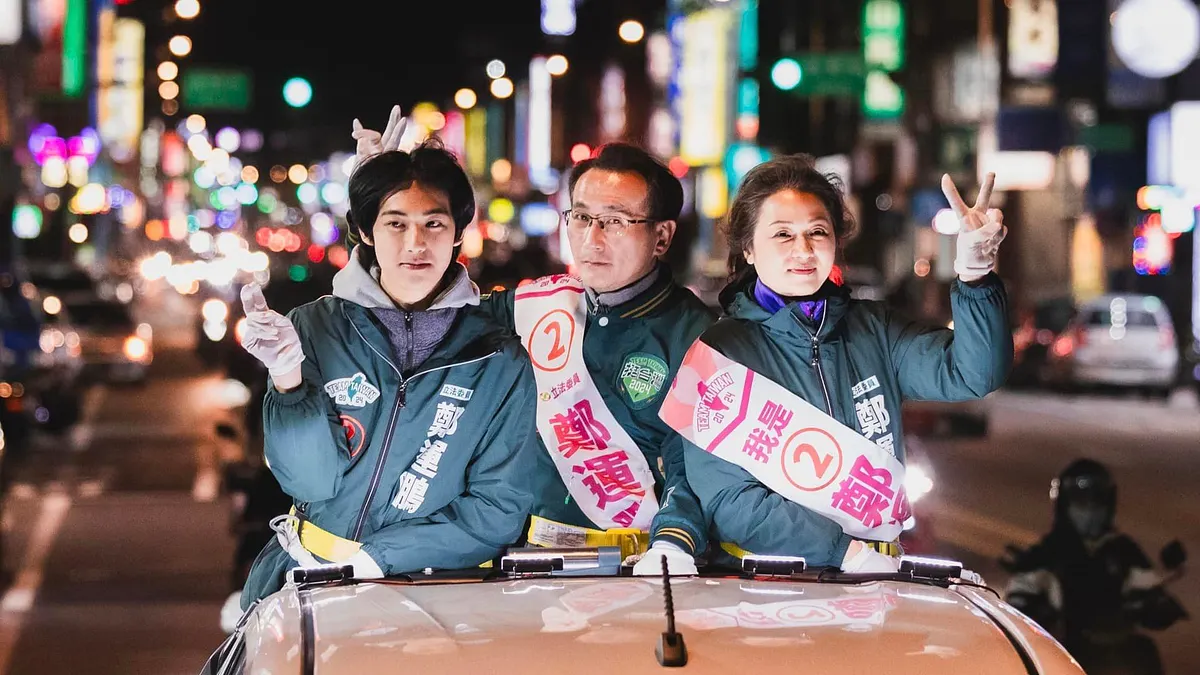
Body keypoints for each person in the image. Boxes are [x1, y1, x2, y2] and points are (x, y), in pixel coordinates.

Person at [349, 111, 715, 576]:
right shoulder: (539, 303)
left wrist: (673, 546)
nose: (591, 238)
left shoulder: (698, 335)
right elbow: (426, 309)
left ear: (661, 236)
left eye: (616, 221)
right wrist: (381, 198)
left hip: (641, 570)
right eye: (581, 217)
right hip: (528, 565)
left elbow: (697, 468)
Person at [659, 155, 1013, 572]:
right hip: (770, 589)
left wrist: (975, 275)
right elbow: (728, 499)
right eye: (783, 235)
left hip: (878, 578)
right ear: (749, 249)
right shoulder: (718, 353)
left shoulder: (874, 328)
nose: (803, 250)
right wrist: (844, 553)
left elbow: (973, 375)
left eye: (817, 232)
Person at [236, 143, 539, 609]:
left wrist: (381, 558)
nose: (415, 244)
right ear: (365, 230)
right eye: (395, 223)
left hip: (436, 601)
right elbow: (310, 483)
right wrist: (286, 376)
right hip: (306, 585)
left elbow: (496, 511)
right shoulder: (314, 328)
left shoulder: (499, 358)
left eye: (433, 224)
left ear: (458, 232)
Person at [1003, 459, 1187, 675]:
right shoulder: (1047, 553)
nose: (1090, 512)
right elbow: (1017, 600)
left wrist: (1158, 605)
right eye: (1082, 504)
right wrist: (1037, 611)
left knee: (1144, 650)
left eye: (1097, 504)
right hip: (1067, 649)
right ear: (1065, 506)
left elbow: (1147, 584)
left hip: (1118, 651)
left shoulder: (1122, 550)